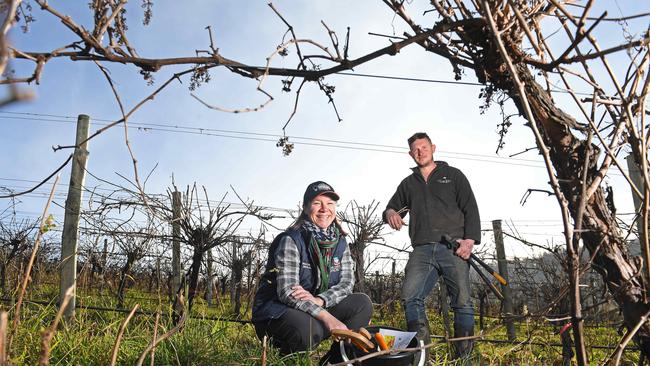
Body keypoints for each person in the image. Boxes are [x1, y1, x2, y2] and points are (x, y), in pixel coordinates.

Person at [383, 132, 481, 361]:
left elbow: (471, 208)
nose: (420, 152)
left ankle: (463, 359)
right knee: (410, 297)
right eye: (415, 149)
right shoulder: (408, 183)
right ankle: (421, 357)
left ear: (433, 148)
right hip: (422, 250)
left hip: (453, 247)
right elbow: (392, 207)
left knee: (462, 302)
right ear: (410, 154)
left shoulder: (453, 175)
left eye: (424, 147)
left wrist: (469, 241)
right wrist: (389, 213)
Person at [252, 181, 372, 361]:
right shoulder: (291, 239)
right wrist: (326, 317)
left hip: (311, 308)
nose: (325, 209)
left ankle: (336, 361)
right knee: (309, 330)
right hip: (276, 312)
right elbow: (287, 292)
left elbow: (347, 283)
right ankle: (288, 360)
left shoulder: (340, 243)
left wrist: (320, 300)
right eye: (317, 203)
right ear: (305, 207)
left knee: (362, 303)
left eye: (330, 203)